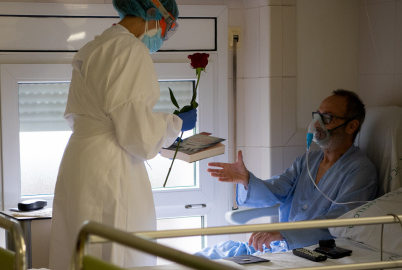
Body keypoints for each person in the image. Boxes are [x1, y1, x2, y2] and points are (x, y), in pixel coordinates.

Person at [48, 0, 196, 269]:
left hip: (79, 161)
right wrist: (175, 124)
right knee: (118, 253)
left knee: (80, 251)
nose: (164, 35)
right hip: (109, 168)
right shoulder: (130, 50)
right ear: (153, 14)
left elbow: (90, 115)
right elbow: (138, 136)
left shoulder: (95, 46)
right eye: (167, 27)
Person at [198, 89, 378, 258]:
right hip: (279, 246)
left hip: (308, 252)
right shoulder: (306, 162)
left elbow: (339, 223)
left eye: (327, 118)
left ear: (351, 126)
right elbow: (276, 189)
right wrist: (246, 180)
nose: (317, 124)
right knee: (205, 257)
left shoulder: (360, 171)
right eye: (317, 116)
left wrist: (284, 233)